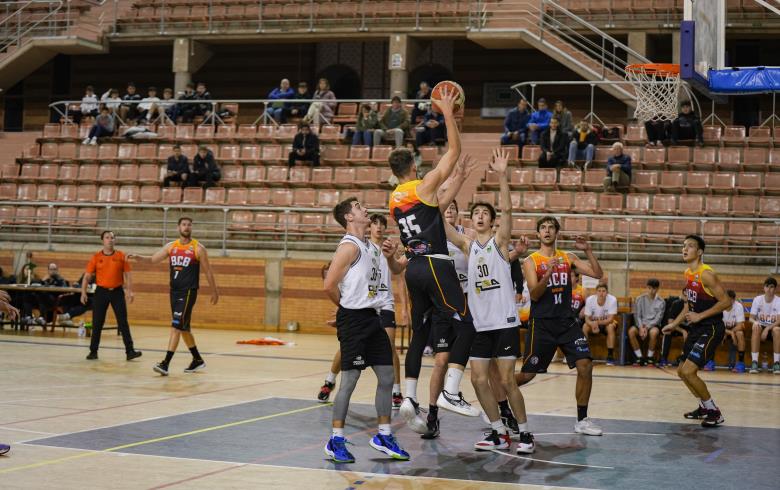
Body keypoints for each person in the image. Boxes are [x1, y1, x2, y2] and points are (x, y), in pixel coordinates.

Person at [388, 87, 481, 432]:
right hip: (436, 264)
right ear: (413, 165)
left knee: (419, 333)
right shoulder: (423, 184)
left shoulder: (395, 199)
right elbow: (454, 150)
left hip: (412, 268)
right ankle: (452, 391)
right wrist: (446, 112)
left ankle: (409, 398)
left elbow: (435, 211)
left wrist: (455, 182)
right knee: (467, 323)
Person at [444, 148, 535, 454]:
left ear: (493, 221)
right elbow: (438, 218)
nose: (479, 216)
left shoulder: (499, 242)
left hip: (505, 321)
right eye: (476, 213)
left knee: (508, 381)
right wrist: (457, 179)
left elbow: (508, 212)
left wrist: (503, 177)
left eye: (485, 213)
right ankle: (497, 431)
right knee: (478, 380)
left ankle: (524, 433)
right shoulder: (467, 245)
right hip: (480, 324)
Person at [322, 198, 409, 464]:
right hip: (355, 320)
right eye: (359, 207)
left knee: (386, 375)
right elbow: (329, 285)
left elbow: (395, 269)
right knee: (349, 380)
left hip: (373, 319)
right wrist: (346, 309)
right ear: (349, 217)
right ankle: (335, 439)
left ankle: (383, 435)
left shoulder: (370, 246)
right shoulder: (348, 247)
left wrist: (395, 255)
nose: (365, 209)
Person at [517, 216, 605, 436]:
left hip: (566, 323)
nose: (547, 231)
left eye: (551, 228)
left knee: (585, 365)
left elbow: (597, 274)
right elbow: (535, 295)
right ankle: (497, 397)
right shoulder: (531, 261)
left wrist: (589, 251)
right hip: (542, 325)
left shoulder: (568, 257)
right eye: (543, 228)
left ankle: (582, 420)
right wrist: (547, 273)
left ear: (557, 233)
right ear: (538, 234)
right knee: (527, 375)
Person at [317, 215, 406, 409]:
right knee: (347, 348)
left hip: (384, 304)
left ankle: (396, 391)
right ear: (370, 227)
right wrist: (343, 309)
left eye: (383, 225)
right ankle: (329, 380)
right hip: (363, 309)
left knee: (389, 347)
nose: (379, 228)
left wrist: (405, 308)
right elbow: (348, 283)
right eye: (375, 224)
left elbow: (399, 276)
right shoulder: (360, 247)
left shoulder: (389, 248)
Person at [129, 217, 219, 376]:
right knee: (184, 328)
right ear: (178, 227)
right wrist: (138, 257)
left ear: (191, 228)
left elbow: (208, 271)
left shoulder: (198, 248)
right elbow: (152, 260)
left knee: (176, 326)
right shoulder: (171, 246)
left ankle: (165, 364)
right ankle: (197, 360)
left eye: (189, 225)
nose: (186, 227)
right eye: (184, 225)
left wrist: (214, 290)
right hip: (174, 291)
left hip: (188, 292)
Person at [662, 235, 729, 427]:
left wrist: (700, 316)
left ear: (699, 252)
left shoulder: (706, 274)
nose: (685, 249)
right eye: (683, 246)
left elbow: (726, 302)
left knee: (690, 371)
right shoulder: (688, 273)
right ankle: (703, 407)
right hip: (697, 328)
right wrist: (674, 324)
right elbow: (688, 306)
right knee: (682, 372)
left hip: (712, 328)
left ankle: (714, 412)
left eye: (690, 246)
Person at [82, 231, 142, 361]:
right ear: (102, 240)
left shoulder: (121, 256)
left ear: (115, 240)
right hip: (101, 293)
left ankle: (130, 351)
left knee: (123, 322)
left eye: (112, 238)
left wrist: (130, 291)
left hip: (117, 292)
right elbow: (87, 276)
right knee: (97, 322)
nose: (110, 240)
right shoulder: (96, 257)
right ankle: (93, 351)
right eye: (107, 238)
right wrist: (83, 292)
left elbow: (128, 275)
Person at [629, 278, 665, 366]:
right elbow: (637, 315)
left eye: (654, 289)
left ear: (657, 289)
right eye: (649, 288)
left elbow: (658, 319)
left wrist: (647, 327)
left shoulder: (662, 302)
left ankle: (650, 357)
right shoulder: (639, 299)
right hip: (640, 324)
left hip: (653, 325)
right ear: (647, 288)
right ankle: (639, 357)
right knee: (631, 332)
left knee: (654, 333)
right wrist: (641, 327)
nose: (651, 291)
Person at [748, 277, 780, 374]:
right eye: (767, 286)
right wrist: (755, 322)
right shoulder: (757, 300)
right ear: (764, 288)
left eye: (771, 287)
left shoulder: (778, 301)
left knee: (777, 330)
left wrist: (767, 329)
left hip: (773, 327)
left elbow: (779, 320)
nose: (769, 289)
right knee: (755, 327)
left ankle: (776, 363)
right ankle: (754, 363)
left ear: (775, 289)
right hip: (761, 327)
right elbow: (751, 318)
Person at [583, 284, 619, 366]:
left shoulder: (612, 299)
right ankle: (585, 353)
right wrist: (592, 324)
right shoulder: (590, 300)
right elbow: (587, 319)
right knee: (585, 327)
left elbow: (610, 319)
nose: (601, 293)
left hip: (607, 323)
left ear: (607, 292)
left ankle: (610, 356)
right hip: (594, 323)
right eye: (599, 291)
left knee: (610, 327)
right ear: (596, 292)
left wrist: (597, 323)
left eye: (603, 291)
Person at [721, 290, 746, 373]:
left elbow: (741, 325)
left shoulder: (738, 306)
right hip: (723, 330)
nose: (726, 301)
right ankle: (709, 361)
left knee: (740, 333)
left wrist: (732, 332)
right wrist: (730, 333)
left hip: (735, 331)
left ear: (733, 300)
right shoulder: (720, 306)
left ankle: (741, 363)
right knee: (713, 332)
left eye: (729, 299)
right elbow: (718, 326)